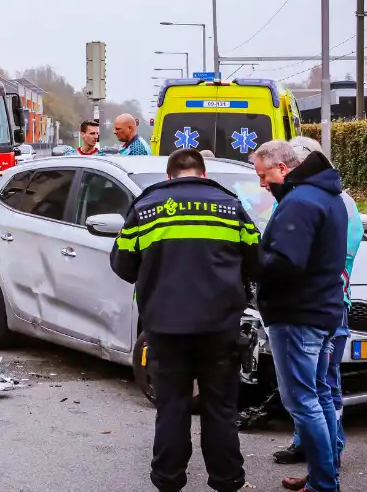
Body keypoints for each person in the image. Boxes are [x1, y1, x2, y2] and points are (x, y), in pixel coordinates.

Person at [110, 149, 257, 492]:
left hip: (164, 327)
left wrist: (154, 277)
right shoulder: (230, 206)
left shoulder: (146, 208)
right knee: (220, 407)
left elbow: (121, 263)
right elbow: (255, 259)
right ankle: (226, 479)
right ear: (203, 174)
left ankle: (168, 479)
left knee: (172, 406)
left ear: (169, 176)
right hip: (219, 328)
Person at [250, 139, 347, 492]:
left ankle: (324, 483)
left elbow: (287, 262)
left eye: (263, 176)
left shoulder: (300, 202)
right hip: (322, 310)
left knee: (302, 401)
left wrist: (250, 261)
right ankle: (326, 474)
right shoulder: (325, 195)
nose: (263, 184)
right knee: (319, 395)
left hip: (297, 315)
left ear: (282, 169)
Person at [275, 137, 364, 484]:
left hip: (325, 306)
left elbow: (331, 255)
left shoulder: (327, 201)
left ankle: (329, 466)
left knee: (323, 387)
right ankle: (318, 465)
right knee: (316, 388)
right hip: (325, 305)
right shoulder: (320, 198)